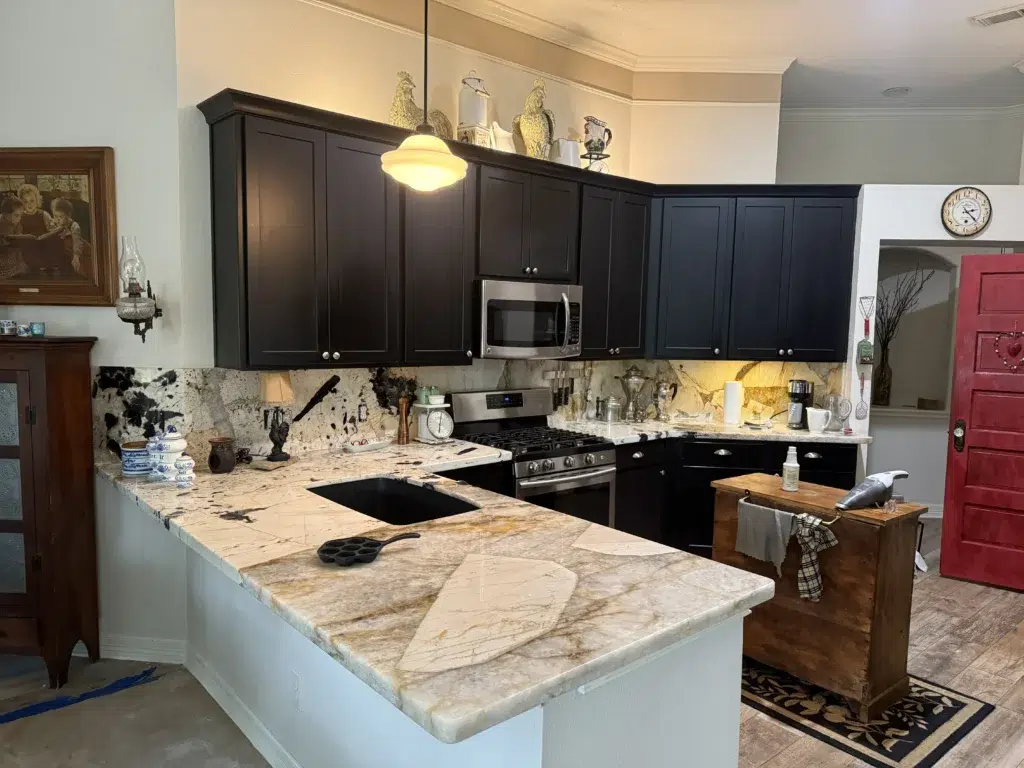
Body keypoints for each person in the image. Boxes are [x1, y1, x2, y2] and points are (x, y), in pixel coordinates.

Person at [51, 197, 88, 277]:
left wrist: (76, 256)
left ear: (68, 216)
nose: (57, 219)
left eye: (60, 217)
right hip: (63, 254)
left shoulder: (74, 226)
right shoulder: (54, 223)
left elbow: (77, 242)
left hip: (77, 251)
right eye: (55, 216)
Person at [0, 196, 27, 279]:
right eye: (16, 215)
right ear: (5, 214)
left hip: (15, 258)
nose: (19, 219)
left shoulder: (18, 225)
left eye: (20, 216)